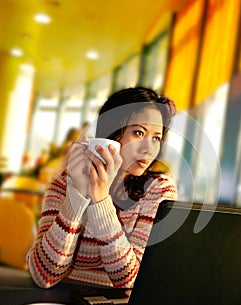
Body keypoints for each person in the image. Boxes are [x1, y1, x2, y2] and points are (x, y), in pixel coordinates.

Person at [26, 87, 178, 289]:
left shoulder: (158, 190)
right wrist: (76, 195)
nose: (148, 149)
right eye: (139, 132)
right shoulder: (64, 184)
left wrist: (100, 200)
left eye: (156, 138)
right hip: (59, 295)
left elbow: (130, 280)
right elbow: (43, 276)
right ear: (110, 134)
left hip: (114, 301)